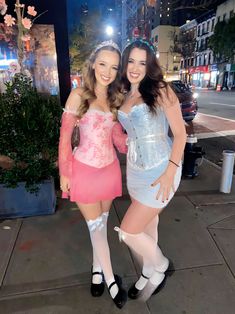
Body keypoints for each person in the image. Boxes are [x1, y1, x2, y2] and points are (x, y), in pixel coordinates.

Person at [114, 39, 187, 300]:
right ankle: (147, 272)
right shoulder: (123, 92)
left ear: (150, 65)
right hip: (134, 171)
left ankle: (161, 266)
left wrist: (170, 171)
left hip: (161, 169)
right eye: (131, 61)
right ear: (124, 64)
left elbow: (180, 134)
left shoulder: (161, 90)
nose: (135, 67)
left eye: (142, 62)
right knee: (148, 225)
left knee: (129, 231)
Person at [58, 40, 128, 309]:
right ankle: (111, 281)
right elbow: (65, 139)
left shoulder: (114, 98)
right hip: (84, 170)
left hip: (109, 170)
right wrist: (64, 172)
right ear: (93, 64)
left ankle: (97, 271)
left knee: (102, 225)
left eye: (113, 67)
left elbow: (116, 136)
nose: (107, 72)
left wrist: (133, 144)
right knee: (96, 228)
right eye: (102, 64)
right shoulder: (78, 95)